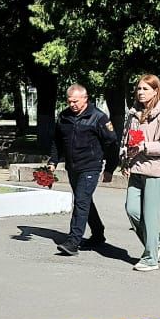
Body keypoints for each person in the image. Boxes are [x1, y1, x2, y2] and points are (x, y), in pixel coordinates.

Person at [48, 84, 119, 255]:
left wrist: (110, 168)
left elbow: (112, 143)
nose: (72, 104)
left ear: (85, 99)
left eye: (75, 101)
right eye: (69, 101)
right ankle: (98, 233)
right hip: (72, 167)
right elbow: (57, 141)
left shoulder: (98, 118)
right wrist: (53, 161)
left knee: (80, 201)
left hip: (91, 166)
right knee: (85, 200)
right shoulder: (64, 116)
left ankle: (73, 241)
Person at [121, 75, 160, 271]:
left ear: (156, 91)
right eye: (138, 89)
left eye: (145, 89)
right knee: (132, 210)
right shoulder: (134, 112)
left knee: (150, 215)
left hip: (156, 170)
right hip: (136, 168)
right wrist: (125, 159)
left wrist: (144, 146)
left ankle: (150, 257)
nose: (140, 92)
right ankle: (158, 241)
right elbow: (126, 139)